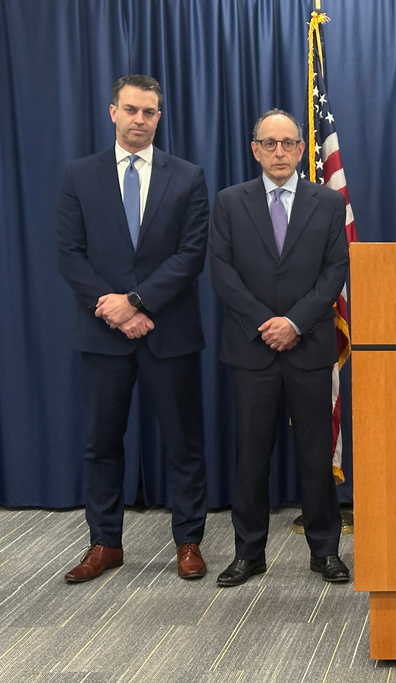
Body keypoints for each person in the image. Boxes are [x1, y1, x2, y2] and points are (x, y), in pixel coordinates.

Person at [56, 74, 210, 582]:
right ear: (112, 112)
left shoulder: (187, 176)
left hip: (170, 331)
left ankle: (188, 542)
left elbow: (191, 255)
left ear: (159, 117)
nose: (139, 120)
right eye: (131, 110)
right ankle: (104, 543)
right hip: (103, 334)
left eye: (149, 112)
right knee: (101, 443)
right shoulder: (79, 175)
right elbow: (70, 254)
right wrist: (114, 309)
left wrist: (138, 303)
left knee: (183, 441)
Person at [208, 109, 350, 587]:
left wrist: (294, 322)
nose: (280, 152)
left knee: (316, 454)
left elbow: (335, 271)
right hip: (252, 350)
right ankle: (249, 553)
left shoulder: (328, 203)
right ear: (255, 150)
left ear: (301, 148)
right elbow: (222, 274)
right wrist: (265, 324)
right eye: (269, 143)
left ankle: (325, 552)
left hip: (309, 347)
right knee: (252, 456)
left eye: (288, 143)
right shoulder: (229, 202)